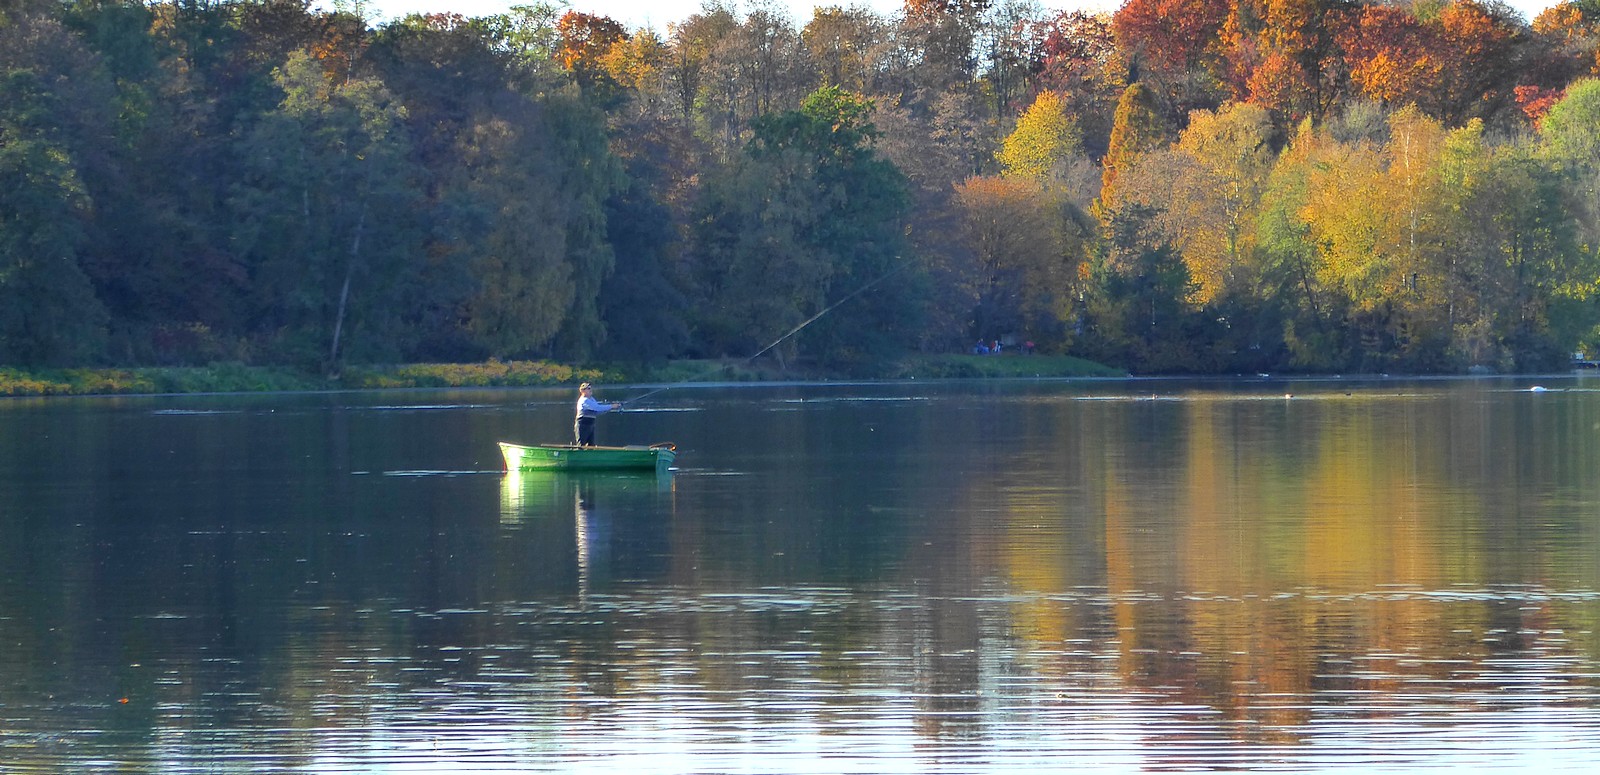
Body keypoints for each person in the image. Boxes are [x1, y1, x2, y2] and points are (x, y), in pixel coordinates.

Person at [573, 382, 621, 447]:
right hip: (582, 425)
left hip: (590, 425)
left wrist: (611, 408)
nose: (590, 390)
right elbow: (597, 408)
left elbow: (597, 412)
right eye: (588, 388)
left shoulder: (592, 399)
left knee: (591, 445)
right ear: (582, 391)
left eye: (590, 388)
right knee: (581, 445)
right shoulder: (584, 400)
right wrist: (611, 406)